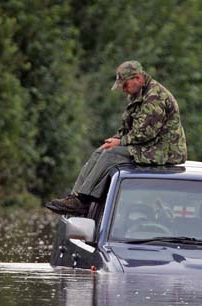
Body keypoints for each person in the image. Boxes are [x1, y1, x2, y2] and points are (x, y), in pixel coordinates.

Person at [45, 60, 187, 215]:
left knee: (112, 154)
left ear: (138, 79)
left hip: (163, 151)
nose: (124, 90)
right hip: (148, 146)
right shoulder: (137, 94)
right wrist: (114, 139)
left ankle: (84, 201)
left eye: (125, 85)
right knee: (102, 151)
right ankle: (76, 198)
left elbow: (145, 133)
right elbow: (128, 128)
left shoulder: (155, 97)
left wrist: (120, 142)